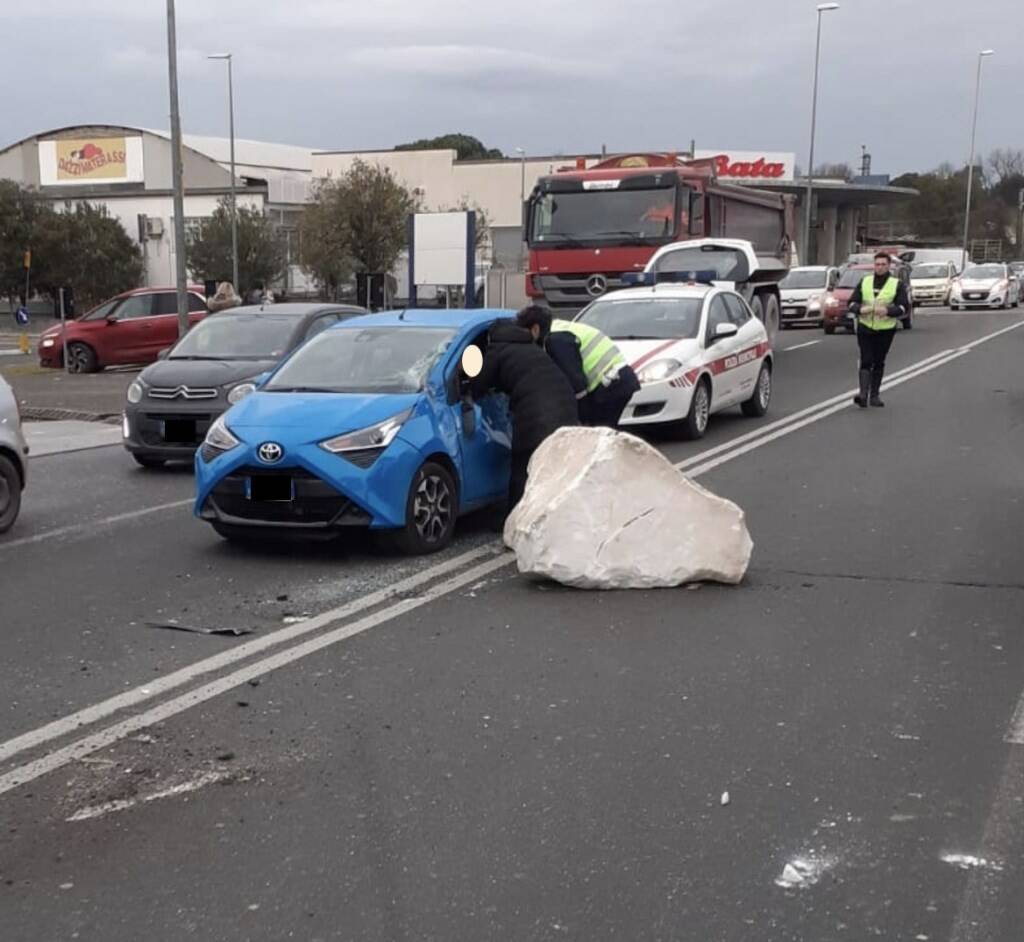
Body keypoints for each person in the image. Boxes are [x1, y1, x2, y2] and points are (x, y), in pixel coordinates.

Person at [469, 320, 578, 511]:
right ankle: (559, 512)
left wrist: (469, 372)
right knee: (557, 466)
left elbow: (479, 385)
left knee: (522, 464)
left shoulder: (498, 348)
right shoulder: (530, 348)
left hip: (538, 415)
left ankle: (515, 516)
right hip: (566, 408)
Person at [515, 304, 640, 427]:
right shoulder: (558, 329)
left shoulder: (555, 340)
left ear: (535, 329)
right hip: (615, 380)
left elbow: (576, 384)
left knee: (598, 435)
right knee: (599, 434)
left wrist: (582, 418)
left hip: (611, 385)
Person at [847, 252, 910, 408]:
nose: (880, 267)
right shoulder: (865, 282)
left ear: (889, 266)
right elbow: (851, 302)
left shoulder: (896, 284)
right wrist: (860, 309)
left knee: (879, 361)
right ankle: (863, 395)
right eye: (877, 264)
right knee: (866, 359)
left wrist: (888, 311)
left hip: (885, 329)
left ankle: (874, 395)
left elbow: (903, 307)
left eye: (883, 264)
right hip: (865, 327)